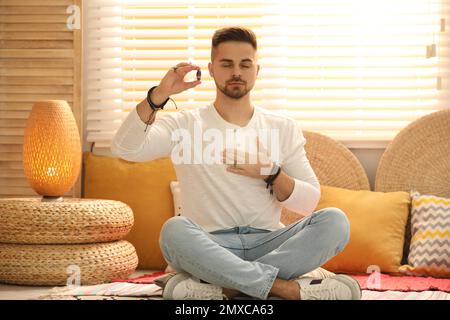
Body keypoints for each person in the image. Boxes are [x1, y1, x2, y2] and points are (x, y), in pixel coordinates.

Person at [111, 27, 361, 300]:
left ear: (257, 69)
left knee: (335, 221)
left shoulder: (282, 127)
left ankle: (225, 286)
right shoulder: (185, 124)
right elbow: (125, 149)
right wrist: (159, 94)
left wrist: (270, 172)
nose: (236, 72)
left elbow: (308, 202)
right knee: (174, 231)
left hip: (269, 244)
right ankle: (283, 288)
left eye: (245, 64)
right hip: (208, 244)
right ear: (211, 69)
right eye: (226, 64)